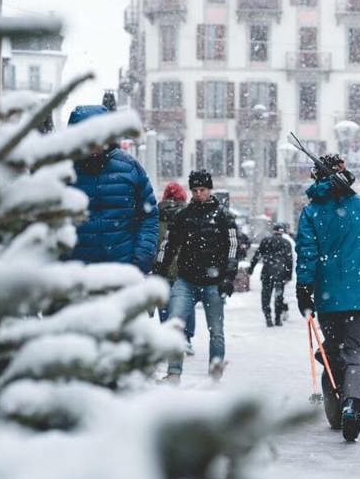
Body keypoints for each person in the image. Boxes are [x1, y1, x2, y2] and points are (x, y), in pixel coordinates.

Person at [295, 153, 360, 442]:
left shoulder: (312, 212)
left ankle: (337, 410)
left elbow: (307, 253)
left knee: (335, 352)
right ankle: (353, 404)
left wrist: (304, 289)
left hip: (328, 297)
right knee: (355, 355)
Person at [154, 169, 239, 383]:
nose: (199, 193)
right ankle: (174, 373)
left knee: (216, 330)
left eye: (202, 189)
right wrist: (160, 270)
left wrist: (229, 276)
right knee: (175, 324)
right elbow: (169, 244)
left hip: (214, 280)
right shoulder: (184, 215)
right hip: (186, 278)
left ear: (210, 189)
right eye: (195, 190)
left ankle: (215, 371)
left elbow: (233, 247)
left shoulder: (223, 215)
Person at [65, 105, 158, 273]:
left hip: (122, 273)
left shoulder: (129, 167)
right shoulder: (62, 172)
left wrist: (141, 259)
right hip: (75, 278)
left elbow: (148, 215)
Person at [155, 181, 195, 353]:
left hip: (162, 265)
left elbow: (154, 242)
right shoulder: (189, 215)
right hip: (184, 267)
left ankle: (166, 337)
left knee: (164, 303)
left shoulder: (156, 217)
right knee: (186, 302)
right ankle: (185, 337)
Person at [249, 222, 294, 327]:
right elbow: (289, 260)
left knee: (266, 297)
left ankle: (268, 318)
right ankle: (278, 318)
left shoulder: (266, 241)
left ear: (273, 231)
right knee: (279, 296)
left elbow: (257, 255)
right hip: (281, 274)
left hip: (267, 272)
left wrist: (251, 267)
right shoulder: (286, 243)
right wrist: (288, 275)